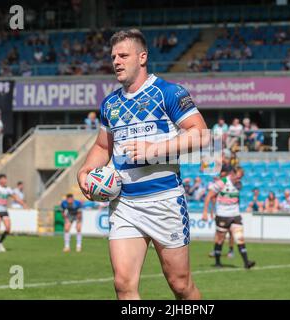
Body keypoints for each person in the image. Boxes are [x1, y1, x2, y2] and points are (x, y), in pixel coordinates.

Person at [76, 29, 206, 300]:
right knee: (123, 284)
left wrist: (155, 149)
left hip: (164, 201)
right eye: (113, 57)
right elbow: (103, 147)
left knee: (180, 285)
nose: (116, 62)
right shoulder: (110, 104)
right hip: (125, 204)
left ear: (142, 57)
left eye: (123, 55)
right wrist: (84, 170)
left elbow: (201, 134)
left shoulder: (168, 93)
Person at [202, 167, 255, 269]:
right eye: (238, 177)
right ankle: (217, 262)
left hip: (235, 215)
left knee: (239, 238)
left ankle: (246, 262)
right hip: (222, 215)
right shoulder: (222, 182)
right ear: (232, 173)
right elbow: (209, 196)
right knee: (220, 239)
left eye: (241, 178)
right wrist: (206, 211)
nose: (239, 180)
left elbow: (236, 198)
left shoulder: (239, 184)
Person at [0, 174, 28, 253]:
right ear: (0, 180)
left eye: (6, 179)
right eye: (4, 179)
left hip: (4, 209)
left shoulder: (8, 189)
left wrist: (23, 204)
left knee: (8, 228)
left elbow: (15, 197)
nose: (5, 181)